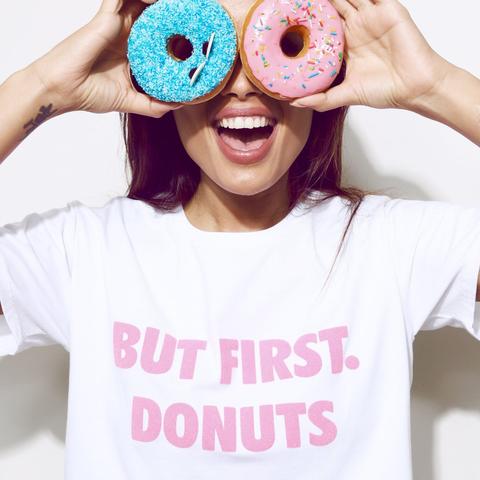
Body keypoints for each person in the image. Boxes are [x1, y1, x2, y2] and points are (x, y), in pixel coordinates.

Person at [0, 0, 479, 478]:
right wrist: (43, 86)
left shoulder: (392, 246)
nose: (245, 83)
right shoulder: (84, 253)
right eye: (212, 51)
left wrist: (434, 86)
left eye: (274, 45)